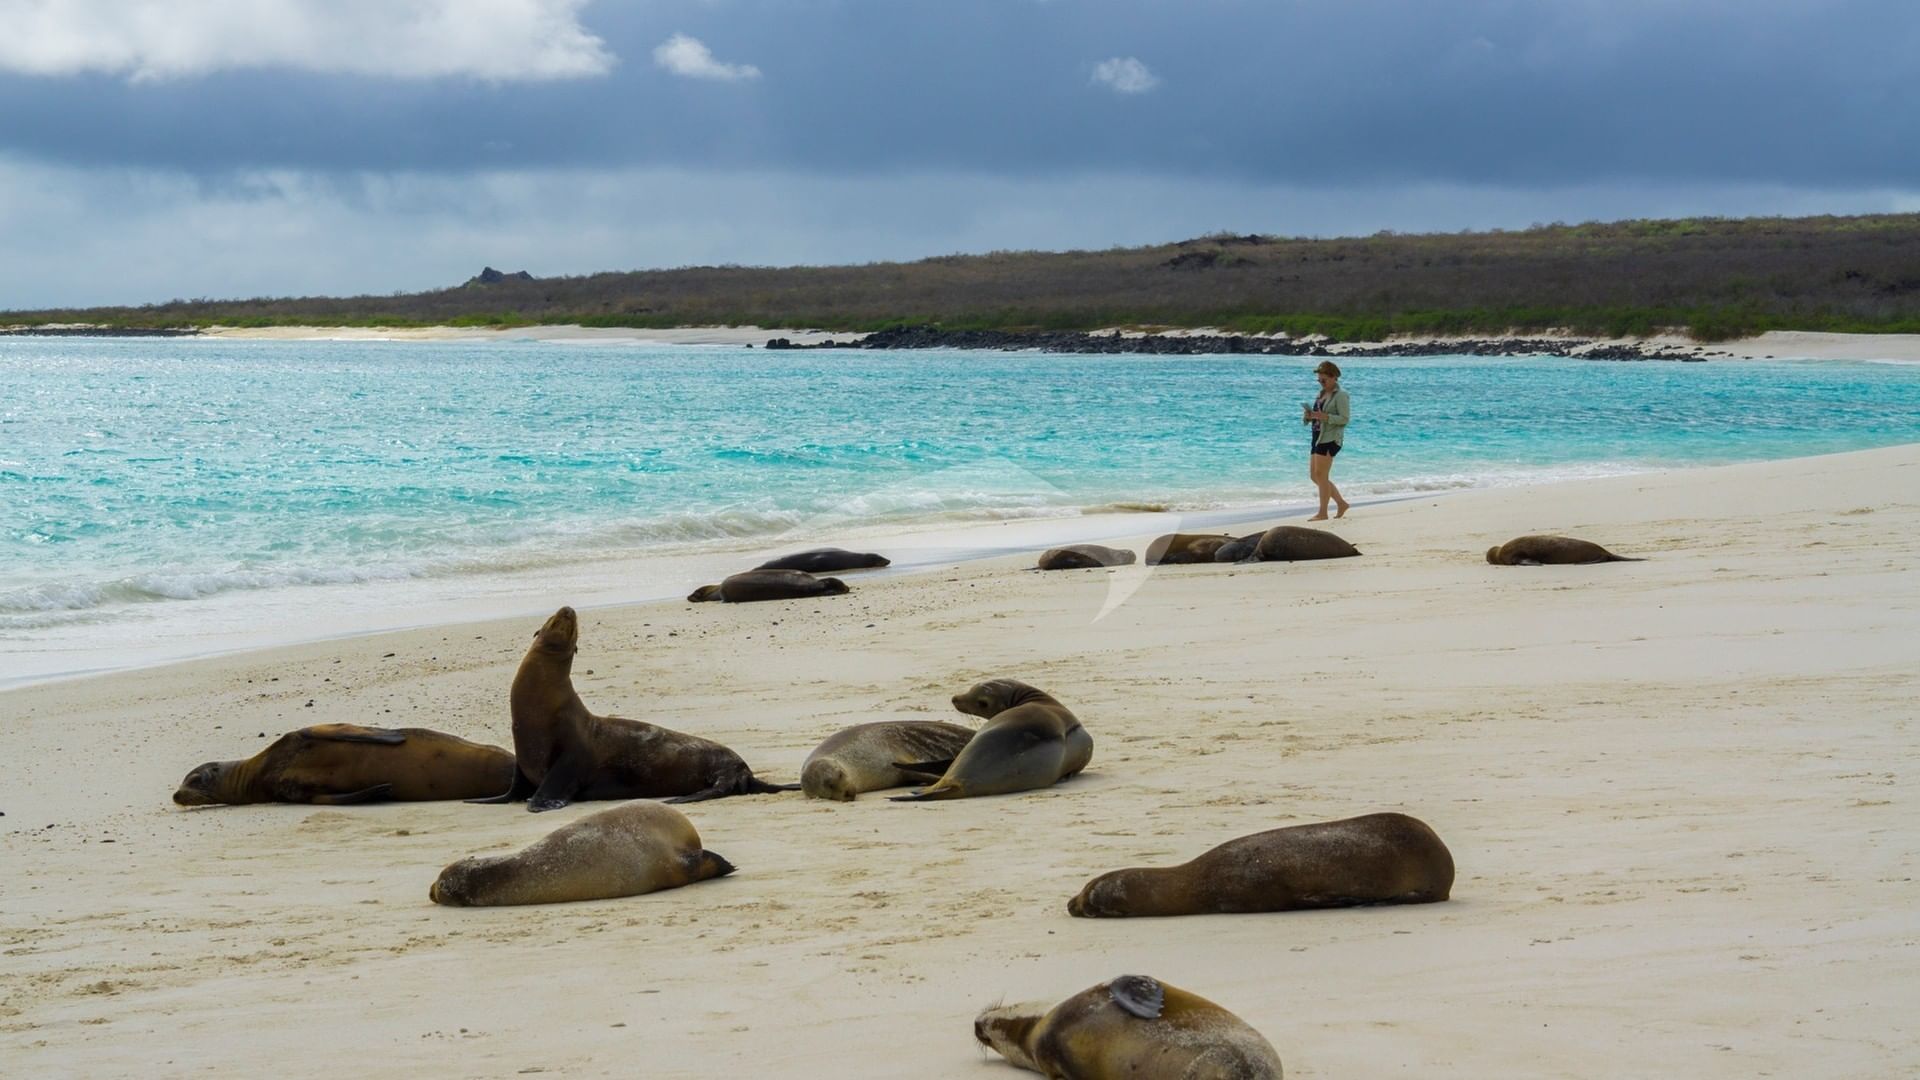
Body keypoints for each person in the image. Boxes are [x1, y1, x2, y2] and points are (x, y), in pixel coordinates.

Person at [1301, 360, 1350, 520]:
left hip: (1330, 438)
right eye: (1319, 380)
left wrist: (1325, 417)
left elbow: (1344, 418)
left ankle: (1323, 512)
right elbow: (1317, 415)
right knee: (1315, 476)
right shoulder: (1321, 394)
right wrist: (1309, 416)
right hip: (1317, 436)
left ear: (1334, 377)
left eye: (1324, 380)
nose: (1322, 383)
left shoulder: (1341, 395)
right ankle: (1341, 503)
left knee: (1321, 475)